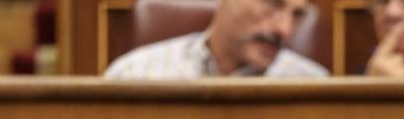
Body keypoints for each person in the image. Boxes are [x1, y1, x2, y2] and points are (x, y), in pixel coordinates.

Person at [104, 0, 327, 79]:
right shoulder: (132, 76)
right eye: (272, 3)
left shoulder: (317, 91)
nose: (285, 29)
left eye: (297, 15)